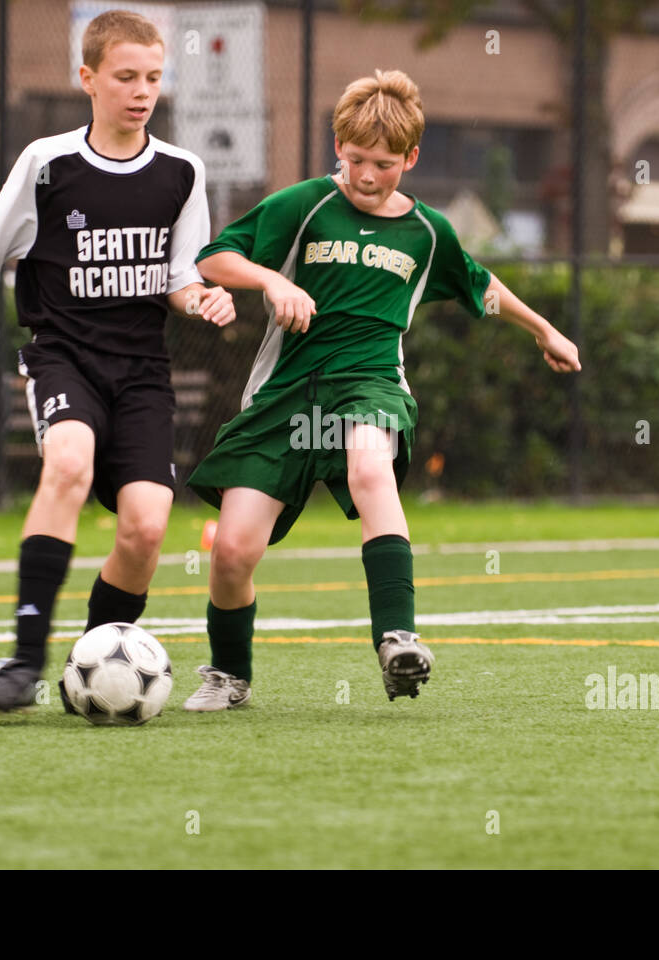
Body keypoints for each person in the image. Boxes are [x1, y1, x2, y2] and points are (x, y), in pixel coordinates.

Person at [182, 69, 580, 710]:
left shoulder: (428, 233)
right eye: (357, 160)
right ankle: (230, 674)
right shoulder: (303, 204)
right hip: (286, 395)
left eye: (386, 165)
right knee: (231, 551)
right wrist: (272, 282)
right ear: (338, 147)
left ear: (412, 158)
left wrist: (545, 329)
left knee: (373, 470)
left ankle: (396, 637)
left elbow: (484, 287)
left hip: (370, 383)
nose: (368, 177)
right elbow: (213, 259)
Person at [0, 10, 235, 712]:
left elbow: (181, 278)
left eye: (153, 78)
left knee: (147, 527)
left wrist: (205, 301)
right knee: (67, 465)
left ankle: (96, 662)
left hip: (142, 373)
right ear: (89, 78)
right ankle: (23, 659)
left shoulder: (181, 172)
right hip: (63, 359)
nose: (141, 91)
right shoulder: (47, 165)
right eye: (126, 77)